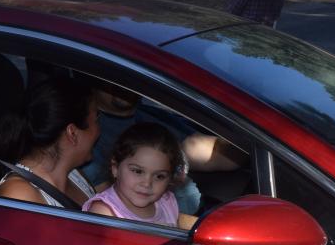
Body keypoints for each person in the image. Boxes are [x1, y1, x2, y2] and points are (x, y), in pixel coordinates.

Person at [82, 81, 246, 214]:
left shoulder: (154, 115)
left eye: (159, 176)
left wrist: (250, 139)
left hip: (192, 214)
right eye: (137, 171)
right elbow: (123, 211)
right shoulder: (88, 135)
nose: (123, 83)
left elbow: (209, 152)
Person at [0, 77, 100, 208]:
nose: (99, 130)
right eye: (96, 120)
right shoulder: (19, 195)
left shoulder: (75, 176)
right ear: (72, 133)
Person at [84, 122, 196, 230]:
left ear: (170, 178)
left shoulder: (167, 202)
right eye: (138, 171)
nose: (147, 184)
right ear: (115, 168)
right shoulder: (104, 212)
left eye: (159, 176)